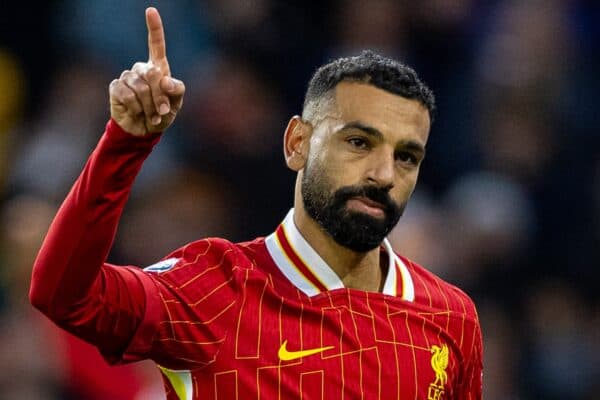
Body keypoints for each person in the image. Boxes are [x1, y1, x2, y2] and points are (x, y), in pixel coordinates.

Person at [30, 7, 482, 400]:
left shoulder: (451, 317)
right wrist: (124, 144)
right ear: (297, 143)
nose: (384, 175)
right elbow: (64, 295)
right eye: (359, 142)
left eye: (406, 157)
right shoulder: (212, 290)